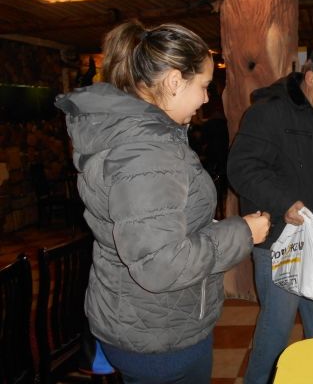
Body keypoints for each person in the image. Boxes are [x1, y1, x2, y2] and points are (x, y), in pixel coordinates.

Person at [54, 20, 270, 384]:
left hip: (149, 320)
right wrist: (242, 232)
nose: (206, 99)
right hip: (158, 335)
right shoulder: (148, 152)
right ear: (173, 82)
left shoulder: (145, 138)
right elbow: (160, 264)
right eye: (203, 86)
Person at [227, 43, 313, 384]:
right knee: (276, 328)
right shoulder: (268, 112)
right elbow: (241, 168)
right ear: (310, 77)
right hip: (277, 240)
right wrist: (283, 201)